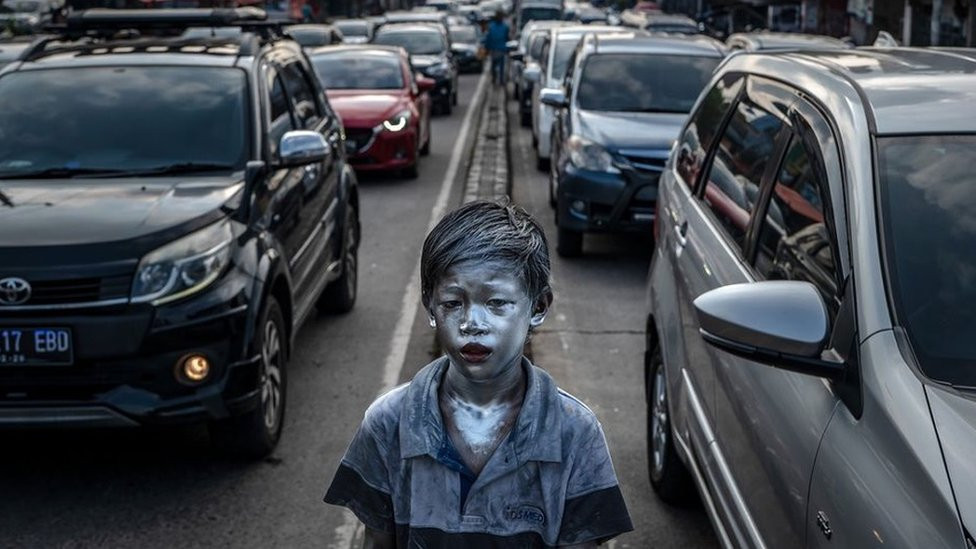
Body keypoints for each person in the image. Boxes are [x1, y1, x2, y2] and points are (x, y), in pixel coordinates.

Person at [324, 201, 633, 547]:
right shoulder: (388, 423)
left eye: (497, 302)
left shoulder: (574, 432)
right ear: (430, 306)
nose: (472, 324)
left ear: (539, 306)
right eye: (453, 303)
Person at [483, 11, 510, 85]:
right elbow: (507, 38)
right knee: (499, 65)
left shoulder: (492, 26)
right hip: (499, 49)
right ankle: (499, 79)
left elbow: (488, 38)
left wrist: (487, 48)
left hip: (496, 49)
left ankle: (496, 78)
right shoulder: (503, 27)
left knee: (495, 64)